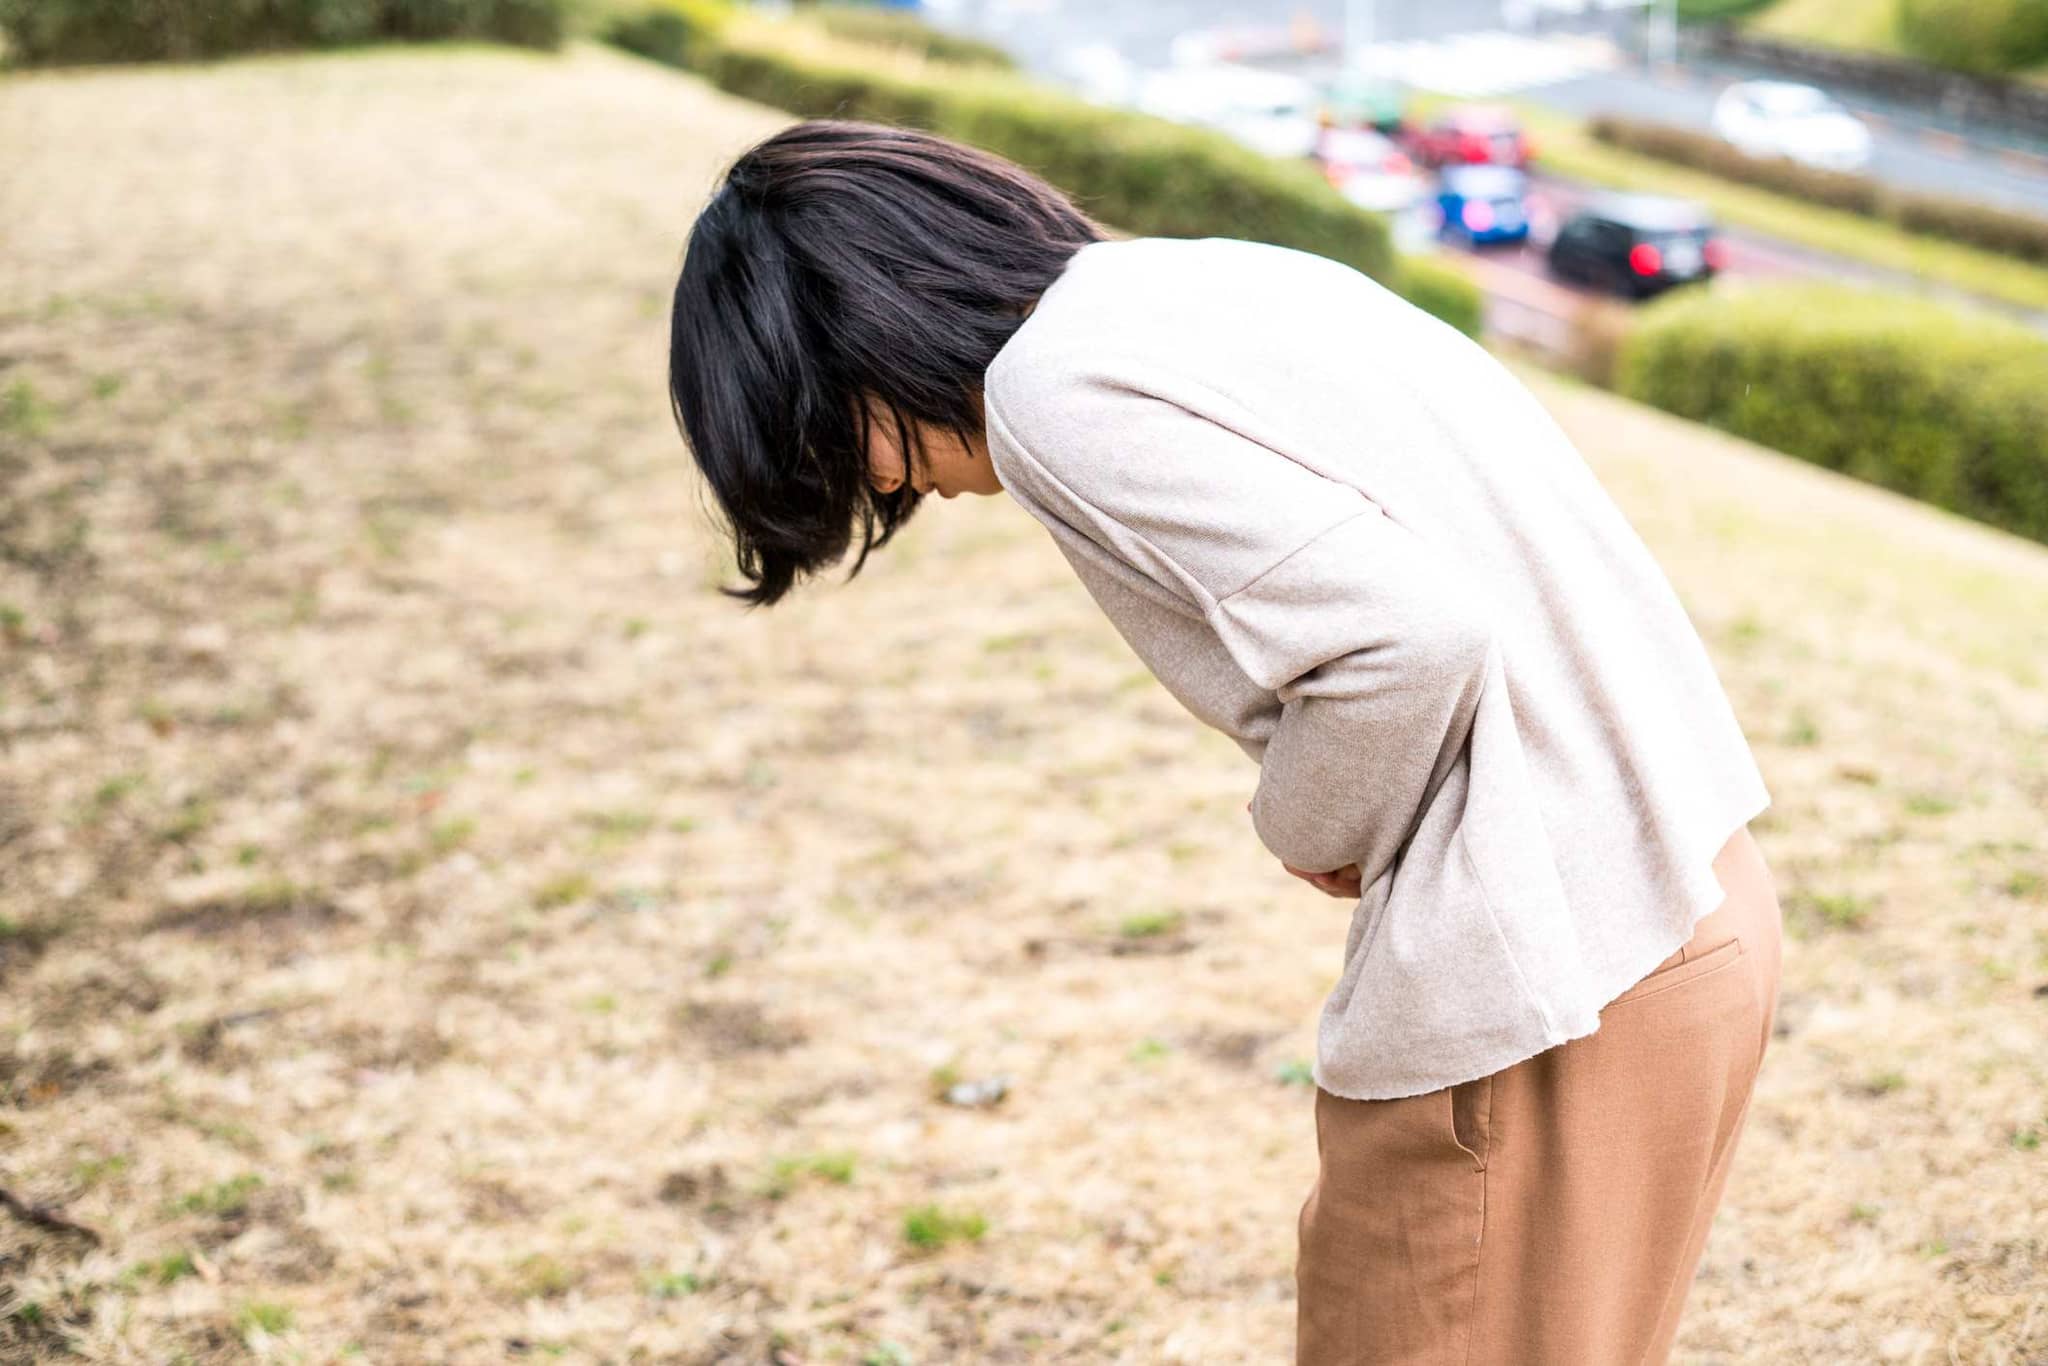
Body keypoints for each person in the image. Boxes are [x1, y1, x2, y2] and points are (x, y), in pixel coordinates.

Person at [665, 118, 1785, 1365]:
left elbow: (1407, 644)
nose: (886, 485)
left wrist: (1304, 825)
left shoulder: (1051, 392)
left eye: (840, 440)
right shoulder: (1203, 283)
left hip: (1548, 972)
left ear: (857, 337)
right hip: (1692, 900)